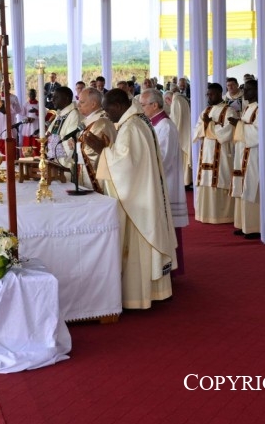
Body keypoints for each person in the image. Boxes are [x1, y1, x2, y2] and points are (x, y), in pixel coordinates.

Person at [83, 89, 177, 309]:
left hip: (138, 202)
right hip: (143, 194)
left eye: (107, 110)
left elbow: (125, 166)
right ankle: (154, 291)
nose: (106, 115)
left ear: (116, 106)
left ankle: (139, 296)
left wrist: (102, 150)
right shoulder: (137, 122)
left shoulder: (132, 127)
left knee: (136, 245)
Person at [140, 88, 188, 275]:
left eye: (144, 105)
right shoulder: (154, 124)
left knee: (167, 227)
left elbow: (164, 159)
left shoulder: (165, 126)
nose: (142, 108)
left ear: (155, 105)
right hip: (159, 181)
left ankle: (170, 269)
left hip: (165, 183)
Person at [193, 82, 238, 224]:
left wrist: (209, 125)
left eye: (211, 94)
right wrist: (207, 125)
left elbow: (227, 133)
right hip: (206, 151)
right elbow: (197, 130)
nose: (209, 96)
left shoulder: (229, 111)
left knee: (221, 179)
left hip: (222, 153)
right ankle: (205, 214)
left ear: (219, 94)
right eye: (208, 94)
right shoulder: (205, 111)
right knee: (205, 179)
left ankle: (223, 216)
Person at [229, 79, 261, 240]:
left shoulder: (261, 109)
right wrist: (239, 124)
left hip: (254, 154)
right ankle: (243, 225)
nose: (245, 92)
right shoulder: (248, 107)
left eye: (248, 90)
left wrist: (239, 125)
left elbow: (257, 133)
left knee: (251, 187)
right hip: (243, 152)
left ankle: (254, 227)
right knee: (242, 187)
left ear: (257, 91)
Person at [75, 87, 116, 193]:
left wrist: (77, 146)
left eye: (82, 102)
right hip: (84, 171)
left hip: (97, 175)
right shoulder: (91, 121)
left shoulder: (101, 123)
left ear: (93, 104)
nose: (78, 105)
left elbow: (93, 152)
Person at [45, 86, 81, 172]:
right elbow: (49, 133)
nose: (53, 100)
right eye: (53, 97)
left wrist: (54, 140)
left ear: (66, 99)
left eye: (56, 97)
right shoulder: (60, 114)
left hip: (64, 163)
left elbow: (71, 140)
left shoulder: (73, 114)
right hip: (54, 160)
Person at [169, 85, 193, 188]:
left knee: (181, 158)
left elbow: (175, 119)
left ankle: (184, 181)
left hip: (180, 132)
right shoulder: (183, 99)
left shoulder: (176, 101)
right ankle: (186, 180)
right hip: (186, 129)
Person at [20, 88, 40, 155]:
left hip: (36, 124)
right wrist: (27, 118)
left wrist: (36, 111)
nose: (32, 95)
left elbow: (44, 114)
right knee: (27, 142)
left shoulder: (39, 104)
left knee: (35, 141)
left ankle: (36, 156)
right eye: (30, 94)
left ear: (35, 94)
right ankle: (26, 157)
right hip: (28, 125)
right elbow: (22, 114)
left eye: (33, 93)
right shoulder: (26, 104)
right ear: (28, 95)